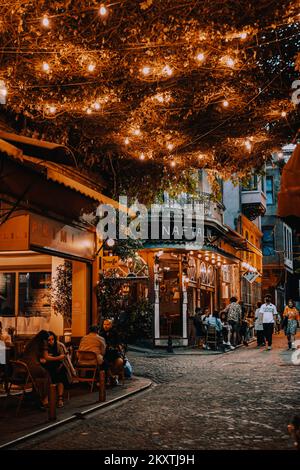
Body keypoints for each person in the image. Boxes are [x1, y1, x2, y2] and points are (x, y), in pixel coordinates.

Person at [21, 330, 59, 409]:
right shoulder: (42, 343)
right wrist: (59, 357)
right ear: (44, 338)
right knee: (47, 375)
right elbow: (46, 357)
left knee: (41, 376)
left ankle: (38, 397)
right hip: (32, 367)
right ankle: (45, 400)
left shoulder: (31, 342)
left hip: (23, 367)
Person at [42, 331, 75, 408]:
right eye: (49, 340)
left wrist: (72, 369)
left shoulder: (59, 345)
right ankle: (47, 398)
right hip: (48, 366)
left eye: (52, 339)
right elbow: (43, 358)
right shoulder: (44, 347)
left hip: (60, 365)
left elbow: (65, 358)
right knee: (47, 374)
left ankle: (60, 398)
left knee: (61, 375)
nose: (51, 341)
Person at [100, 319, 125, 386]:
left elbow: (118, 344)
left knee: (120, 362)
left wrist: (117, 347)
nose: (105, 326)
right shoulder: (101, 333)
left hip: (114, 353)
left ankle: (113, 376)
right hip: (105, 354)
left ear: (111, 325)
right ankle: (111, 377)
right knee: (104, 362)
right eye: (104, 324)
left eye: (107, 324)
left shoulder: (115, 333)